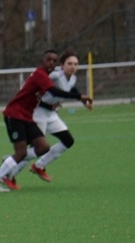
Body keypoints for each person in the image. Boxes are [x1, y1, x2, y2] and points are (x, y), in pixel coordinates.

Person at [0, 49, 92, 193]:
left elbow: (61, 90)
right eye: (49, 60)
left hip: (27, 116)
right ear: (42, 61)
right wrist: (79, 97)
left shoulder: (47, 76)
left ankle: (13, 161)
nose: (51, 63)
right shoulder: (40, 75)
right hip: (15, 114)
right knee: (21, 152)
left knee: (43, 147)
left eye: (54, 61)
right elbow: (53, 91)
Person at [26, 49, 91, 182]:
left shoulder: (72, 78)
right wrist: (79, 97)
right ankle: (9, 166)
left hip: (51, 114)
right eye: (69, 63)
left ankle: (39, 165)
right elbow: (53, 91)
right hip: (38, 112)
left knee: (68, 140)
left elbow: (71, 89)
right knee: (36, 148)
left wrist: (83, 101)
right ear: (62, 65)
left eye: (75, 64)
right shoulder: (54, 76)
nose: (73, 66)